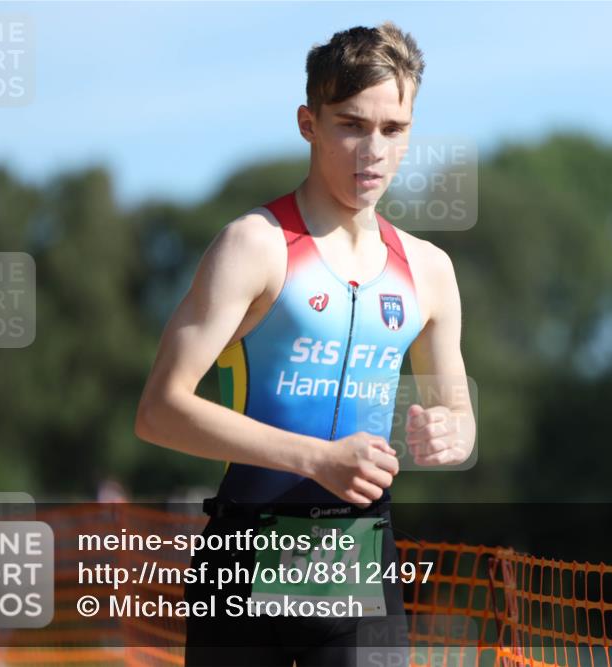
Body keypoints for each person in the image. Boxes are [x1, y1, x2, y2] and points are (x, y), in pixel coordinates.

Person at [135, 21, 475, 667]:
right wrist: (316, 458)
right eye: (350, 124)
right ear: (307, 123)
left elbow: (458, 415)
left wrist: (452, 432)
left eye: (393, 129)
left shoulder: (430, 269)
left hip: (354, 555)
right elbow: (159, 410)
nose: (371, 150)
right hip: (241, 552)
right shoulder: (254, 245)